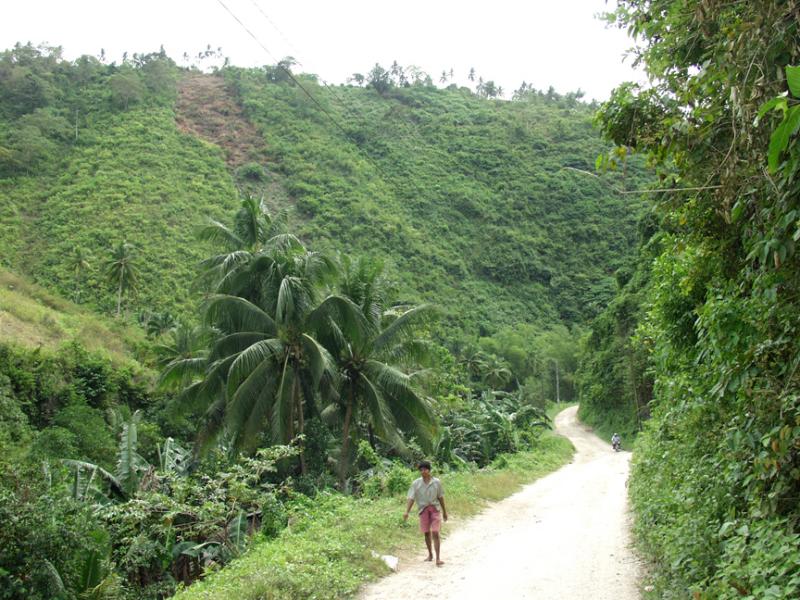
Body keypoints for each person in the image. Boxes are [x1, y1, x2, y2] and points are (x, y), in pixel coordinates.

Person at [403, 460, 448, 566]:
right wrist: (407, 512)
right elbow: (411, 498)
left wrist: (445, 512)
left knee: (436, 532)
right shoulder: (416, 483)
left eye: (425, 469)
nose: (423, 471)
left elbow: (441, 497)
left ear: (429, 470)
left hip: (435, 509)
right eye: (421, 470)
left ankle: (438, 558)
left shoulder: (436, 482)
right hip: (423, 510)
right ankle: (430, 554)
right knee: (427, 533)